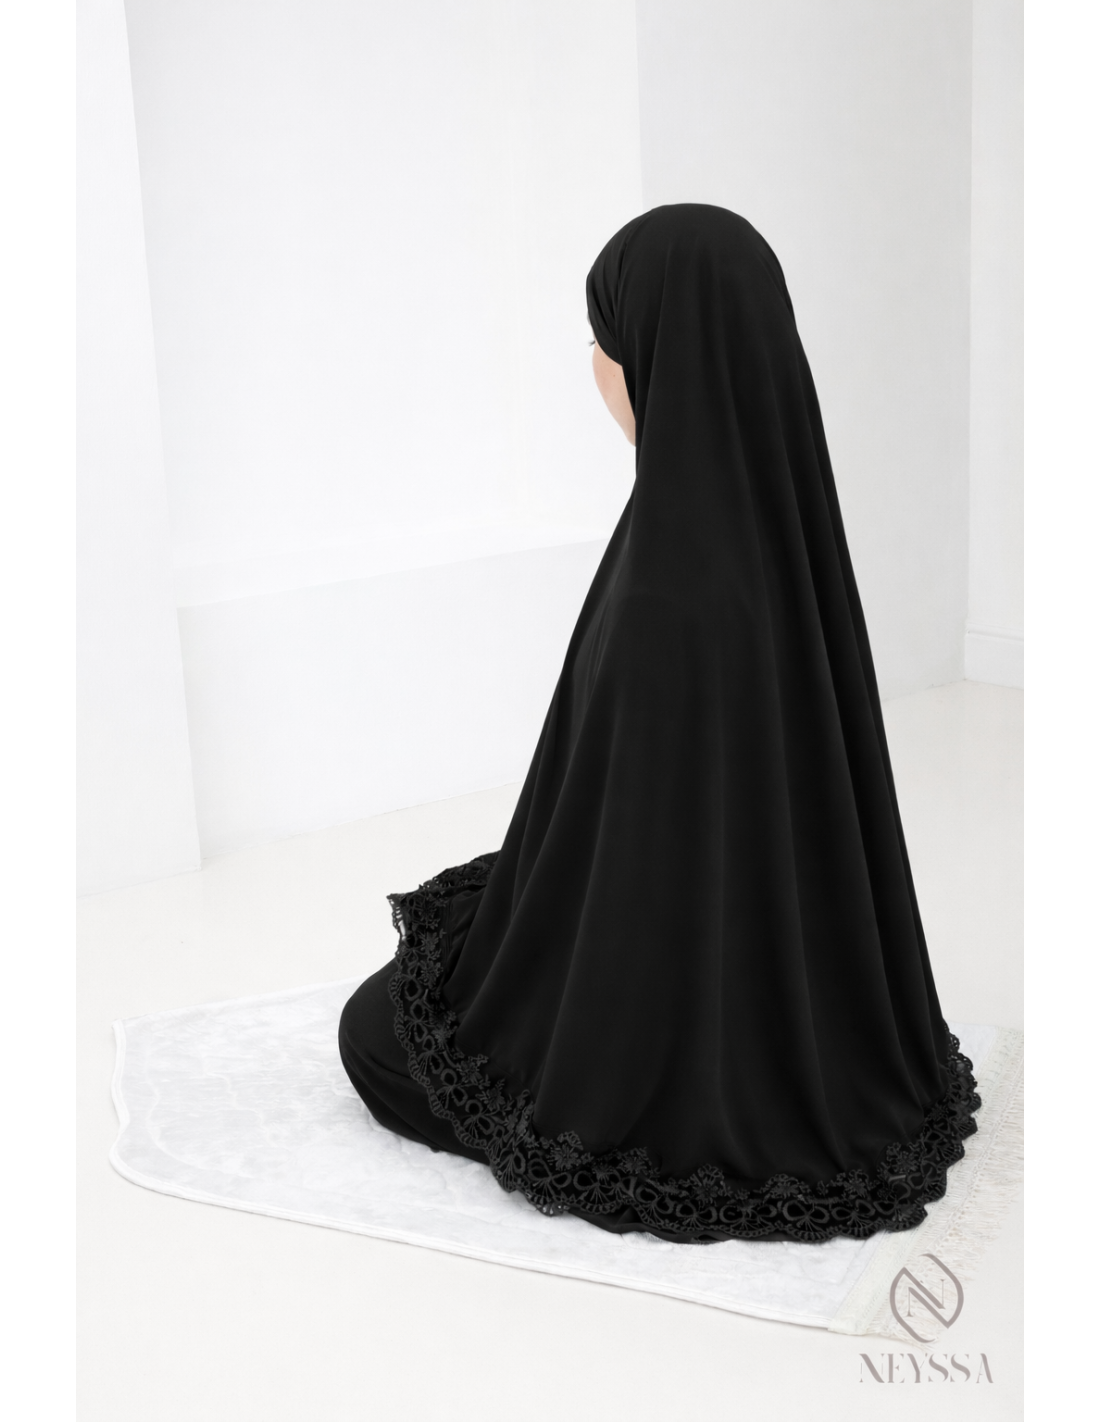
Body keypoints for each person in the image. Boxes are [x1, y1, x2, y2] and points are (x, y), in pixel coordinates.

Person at [338, 203, 979, 1243]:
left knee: (375, 1035)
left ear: (654, 353)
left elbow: (636, 872)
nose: (595, 368)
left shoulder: (667, 586)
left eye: (604, 340)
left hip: (662, 996)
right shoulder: (787, 526)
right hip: (796, 977)